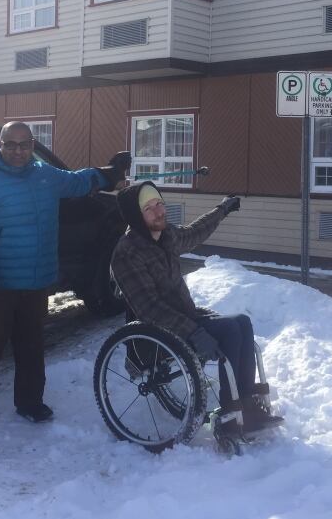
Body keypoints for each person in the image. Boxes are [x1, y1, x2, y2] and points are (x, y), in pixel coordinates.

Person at [0, 121, 131, 425]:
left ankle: (30, 402)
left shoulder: (45, 175)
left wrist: (108, 173)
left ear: (32, 145)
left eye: (24, 144)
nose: (18, 151)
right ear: (0, 145)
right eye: (11, 145)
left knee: (31, 346)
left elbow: (76, 181)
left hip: (37, 281)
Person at [111, 181, 283, 433]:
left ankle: (246, 404)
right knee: (229, 331)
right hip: (156, 334)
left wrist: (222, 209)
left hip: (184, 317)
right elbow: (149, 308)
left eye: (159, 203)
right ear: (136, 216)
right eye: (149, 208)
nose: (159, 212)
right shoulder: (127, 253)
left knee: (242, 323)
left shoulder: (165, 235)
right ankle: (229, 414)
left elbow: (195, 232)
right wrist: (194, 331)